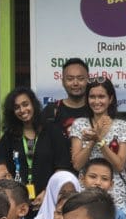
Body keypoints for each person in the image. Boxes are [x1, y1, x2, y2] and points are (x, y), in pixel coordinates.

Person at [70, 78, 126, 209]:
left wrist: (99, 140)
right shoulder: (79, 124)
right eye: (92, 97)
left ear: (110, 99)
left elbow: (119, 165)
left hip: (114, 190)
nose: (97, 101)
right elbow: (77, 164)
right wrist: (93, 141)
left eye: (101, 96)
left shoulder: (122, 126)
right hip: (86, 189)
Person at [32, 58, 91, 198]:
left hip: (90, 182)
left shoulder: (95, 110)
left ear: (88, 79)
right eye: (70, 79)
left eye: (80, 78)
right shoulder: (51, 112)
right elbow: (42, 153)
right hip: (57, 184)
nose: (75, 83)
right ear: (63, 81)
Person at [0, 87, 43, 195]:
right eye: (16, 107)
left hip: (48, 197)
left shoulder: (51, 131)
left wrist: (47, 192)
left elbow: (61, 166)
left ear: (34, 104)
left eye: (25, 104)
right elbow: (1, 166)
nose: (22, 110)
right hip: (18, 197)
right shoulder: (9, 137)